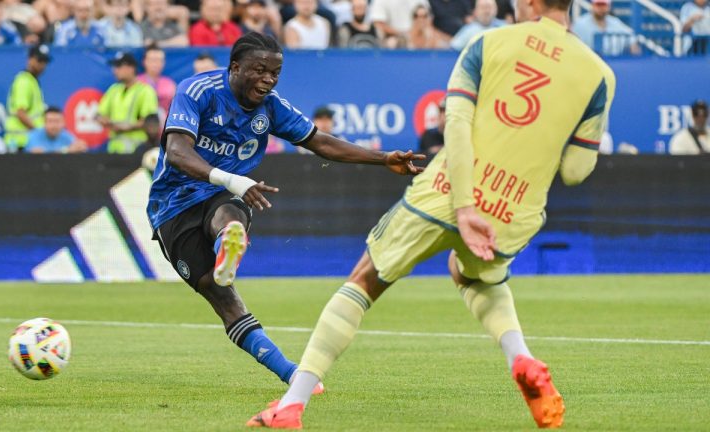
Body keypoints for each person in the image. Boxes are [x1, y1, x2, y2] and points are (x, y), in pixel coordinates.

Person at [247, 0, 616, 425]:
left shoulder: (489, 42)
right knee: (472, 274)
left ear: (529, 3)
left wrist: (464, 206)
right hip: (514, 208)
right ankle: (523, 358)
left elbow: (454, 126)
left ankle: (292, 405)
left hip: (443, 192)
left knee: (364, 281)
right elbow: (575, 170)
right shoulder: (599, 75)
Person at [147, 32, 423, 397]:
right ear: (234, 67)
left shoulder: (272, 107)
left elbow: (320, 141)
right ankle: (227, 250)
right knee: (221, 296)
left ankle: (291, 372)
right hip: (172, 203)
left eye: (275, 73)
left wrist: (383, 158)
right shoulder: (198, 91)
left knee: (229, 212)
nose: (268, 80)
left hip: (224, 193)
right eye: (259, 70)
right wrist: (235, 178)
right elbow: (178, 151)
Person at [96, 52, 159, 154]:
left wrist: (126, 127)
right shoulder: (114, 89)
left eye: (119, 66)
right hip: (114, 149)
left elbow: (150, 122)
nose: (115, 71)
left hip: (137, 149)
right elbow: (99, 114)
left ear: (131, 68)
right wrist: (103, 120)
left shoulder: (145, 90)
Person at [5, 44, 50, 153]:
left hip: (27, 141)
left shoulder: (31, 81)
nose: (42, 65)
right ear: (30, 60)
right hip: (20, 143)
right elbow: (21, 113)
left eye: (45, 61)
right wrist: (39, 133)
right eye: (39, 60)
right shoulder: (24, 81)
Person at [571, 0, 639, 56]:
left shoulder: (615, 22)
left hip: (615, 65)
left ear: (609, 6)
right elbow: (573, 47)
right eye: (598, 5)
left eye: (603, 5)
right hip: (589, 64)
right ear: (592, 5)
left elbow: (632, 40)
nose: (601, 8)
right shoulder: (580, 24)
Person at [137, 45, 177, 117]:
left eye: (159, 60)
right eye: (152, 60)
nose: (155, 64)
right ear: (144, 61)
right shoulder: (136, 82)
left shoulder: (170, 84)